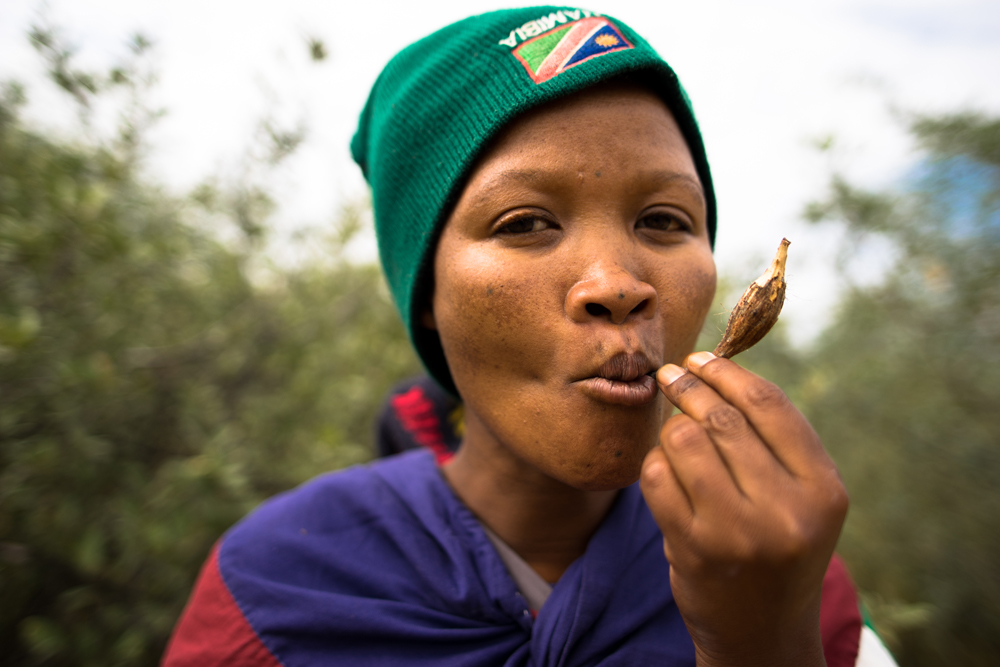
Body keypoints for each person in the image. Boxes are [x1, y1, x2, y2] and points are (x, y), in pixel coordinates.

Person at [162, 7, 899, 666]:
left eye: (664, 221)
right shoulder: (275, 592)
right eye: (525, 223)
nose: (618, 282)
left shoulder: (784, 575)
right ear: (428, 292)